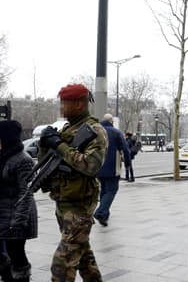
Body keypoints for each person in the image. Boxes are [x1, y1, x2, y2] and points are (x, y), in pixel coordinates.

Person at [38, 84, 107, 281]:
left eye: (64, 103)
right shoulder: (69, 129)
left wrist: (59, 145)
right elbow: (52, 162)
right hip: (64, 201)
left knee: (62, 264)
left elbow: (90, 166)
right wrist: (46, 144)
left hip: (80, 206)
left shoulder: (96, 130)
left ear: (78, 104)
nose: (60, 107)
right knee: (83, 256)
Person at [0, 120, 37, 282]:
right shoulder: (4, 157)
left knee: (16, 255)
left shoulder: (24, 160)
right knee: (6, 254)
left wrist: (17, 222)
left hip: (17, 217)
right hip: (4, 214)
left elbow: (26, 193)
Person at [93, 114, 132, 227]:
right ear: (111, 122)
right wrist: (128, 164)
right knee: (112, 189)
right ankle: (100, 212)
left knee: (104, 190)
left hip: (98, 166)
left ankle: (104, 215)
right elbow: (125, 149)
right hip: (112, 167)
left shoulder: (96, 131)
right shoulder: (116, 132)